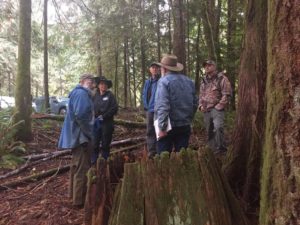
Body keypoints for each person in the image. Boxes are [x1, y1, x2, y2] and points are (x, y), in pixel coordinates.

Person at [58, 74, 94, 209]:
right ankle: (79, 200)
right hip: (80, 138)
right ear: (82, 81)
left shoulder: (78, 93)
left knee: (76, 166)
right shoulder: (81, 94)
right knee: (82, 168)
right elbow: (81, 116)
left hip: (77, 136)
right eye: (88, 81)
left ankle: (73, 196)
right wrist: (88, 133)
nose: (91, 83)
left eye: (92, 81)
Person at [154, 54, 198, 154]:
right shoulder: (189, 81)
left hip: (168, 127)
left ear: (164, 69)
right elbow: (195, 103)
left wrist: (162, 127)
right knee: (182, 157)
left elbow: (162, 106)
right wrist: (188, 119)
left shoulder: (163, 81)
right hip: (185, 125)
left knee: (164, 158)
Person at [198, 60, 232, 153]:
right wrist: (200, 105)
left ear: (214, 66)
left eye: (209, 65)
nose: (207, 67)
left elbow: (227, 94)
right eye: (205, 66)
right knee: (209, 131)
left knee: (218, 127)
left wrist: (219, 106)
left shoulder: (222, 78)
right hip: (206, 109)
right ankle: (212, 151)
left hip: (217, 108)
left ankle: (221, 150)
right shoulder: (204, 80)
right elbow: (201, 94)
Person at [92, 76, 118, 163]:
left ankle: (105, 161)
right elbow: (91, 107)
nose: (103, 86)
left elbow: (114, 108)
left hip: (107, 123)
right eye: (102, 84)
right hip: (96, 123)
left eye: (105, 84)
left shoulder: (110, 95)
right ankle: (93, 162)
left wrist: (104, 116)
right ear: (98, 85)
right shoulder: (95, 95)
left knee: (105, 143)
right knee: (95, 143)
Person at [142, 63, 160, 157]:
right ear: (150, 69)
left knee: (159, 130)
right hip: (149, 110)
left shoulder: (161, 81)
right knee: (150, 131)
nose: (155, 69)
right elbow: (144, 94)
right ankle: (151, 151)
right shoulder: (147, 82)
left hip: (158, 110)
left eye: (157, 68)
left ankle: (159, 151)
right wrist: (146, 105)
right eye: (153, 67)